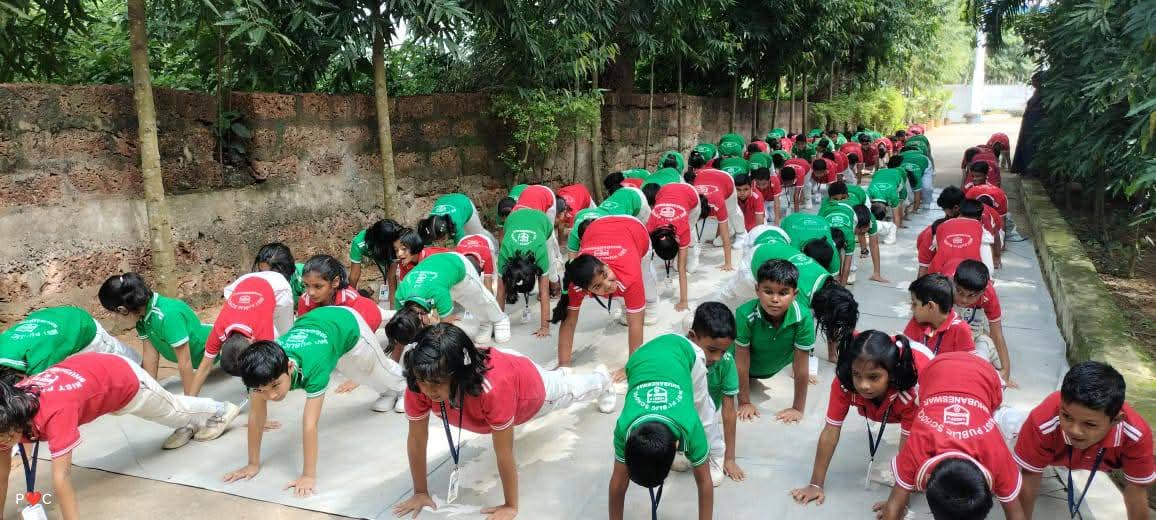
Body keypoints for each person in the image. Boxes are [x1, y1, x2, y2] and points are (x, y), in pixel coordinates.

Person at [393, 323, 615, 520]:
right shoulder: (421, 379)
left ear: (459, 373)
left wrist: (510, 505)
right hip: (502, 364)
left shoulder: (491, 389)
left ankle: (602, 379)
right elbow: (417, 439)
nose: (428, 390)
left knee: (570, 393)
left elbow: (504, 450)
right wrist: (420, 492)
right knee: (558, 380)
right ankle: (562, 376)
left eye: (437, 383)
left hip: (528, 391)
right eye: (422, 381)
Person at [0, 353, 239, 518]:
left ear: (17, 420)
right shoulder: (6, 406)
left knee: (174, 410)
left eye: (5, 438)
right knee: (171, 415)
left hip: (122, 380)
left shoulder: (55, 413)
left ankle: (221, 410)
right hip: (90, 374)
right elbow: (2, 472)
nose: (2, 444)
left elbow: (61, 478)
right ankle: (190, 424)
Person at [224, 306, 406, 495]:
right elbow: (256, 416)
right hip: (320, 331)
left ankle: (406, 388)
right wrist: (252, 464)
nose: (271, 396)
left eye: (276, 386)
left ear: (289, 367)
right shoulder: (258, 372)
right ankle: (388, 393)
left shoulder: (313, 368)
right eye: (262, 390)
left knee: (376, 368)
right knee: (358, 374)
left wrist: (308, 476)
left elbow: (310, 424)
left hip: (345, 323)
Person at [791, 331, 934, 506]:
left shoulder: (911, 394)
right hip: (887, 371)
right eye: (856, 374)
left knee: (924, 443)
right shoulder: (843, 385)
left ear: (891, 374)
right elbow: (830, 431)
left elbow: (907, 446)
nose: (863, 385)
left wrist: (898, 503)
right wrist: (815, 484)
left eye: (873, 377)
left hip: (926, 368)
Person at [877, 352, 1025, 520]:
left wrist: (894, 508)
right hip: (937, 371)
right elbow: (894, 506)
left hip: (983, 377)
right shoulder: (919, 445)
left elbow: (1016, 514)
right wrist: (894, 509)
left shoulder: (997, 455)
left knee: (993, 416)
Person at [608, 330, 726, 520]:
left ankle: (717, 451)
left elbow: (705, 483)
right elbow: (618, 482)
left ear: (677, 446)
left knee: (704, 413)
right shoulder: (624, 428)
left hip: (687, 354)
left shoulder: (691, 426)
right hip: (639, 357)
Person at [1014, 361, 1154, 519]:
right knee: (1012, 432)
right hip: (1034, 437)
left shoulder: (1136, 436)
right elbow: (1029, 476)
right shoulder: (1042, 422)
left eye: (1089, 424)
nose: (1075, 430)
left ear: (1116, 420)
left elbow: (1136, 490)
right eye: (1066, 416)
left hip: (1066, 451)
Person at [98, 273, 212, 448]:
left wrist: (189, 409)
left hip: (216, 351)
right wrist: (141, 391)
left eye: (114, 313)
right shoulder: (143, 319)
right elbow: (150, 358)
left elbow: (185, 362)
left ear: (122, 309)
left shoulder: (167, 315)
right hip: (198, 358)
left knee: (231, 361)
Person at [552, 216, 658, 369]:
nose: (608, 285)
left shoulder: (630, 276)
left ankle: (652, 303)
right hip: (598, 230)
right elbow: (568, 322)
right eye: (597, 286)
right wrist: (563, 365)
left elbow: (636, 323)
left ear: (605, 265)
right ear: (584, 290)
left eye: (605, 275)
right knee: (623, 291)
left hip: (635, 228)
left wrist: (631, 367)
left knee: (645, 278)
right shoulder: (575, 286)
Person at [188, 270, 296, 398]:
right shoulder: (217, 333)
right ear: (222, 347)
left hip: (276, 285)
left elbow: (270, 362)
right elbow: (204, 368)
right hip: (243, 282)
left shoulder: (263, 334)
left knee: (288, 337)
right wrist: (189, 402)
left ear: (253, 342)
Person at [733, 260, 815, 423]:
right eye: (768, 291)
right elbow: (741, 363)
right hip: (739, 368)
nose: (775, 299)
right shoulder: (744, 314)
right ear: (757, 289)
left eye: (783, 293)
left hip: (769, 369)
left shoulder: (803, 318)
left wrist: (798, 408)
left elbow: (801, 367)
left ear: (795, 294)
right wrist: (744, 402)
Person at [387, 252, 511, 346]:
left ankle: (500, 318)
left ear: (421, 316)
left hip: (455, 265)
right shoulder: (400, 296)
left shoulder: (438, 293)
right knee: (467, 302)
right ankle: (485, 322)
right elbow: (401, 325)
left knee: (479, 297)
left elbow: (445, 328)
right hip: (438, 273)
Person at [0, 306, 141, 380]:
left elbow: (38, 390)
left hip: (80, 325)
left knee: (116, 354)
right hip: (50, 320)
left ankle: (141, 366)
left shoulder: (39, 361)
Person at [694, 302, 745, 482]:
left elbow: (729, 412)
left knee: (714, 479)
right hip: (683, 411)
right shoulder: (681, 358)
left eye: (723, 351)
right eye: (712, 350)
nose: (717, 358)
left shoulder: (726, 363)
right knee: (680, 461)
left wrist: (729, 458)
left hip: (709, 412)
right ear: (693, 338)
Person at [497, 208, 563, 337]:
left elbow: (544, 292)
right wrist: (498, 325)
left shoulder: (541, 254)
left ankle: (556, 281)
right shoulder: (504, 254)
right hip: (512, 220)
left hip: (542, 221)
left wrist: (545, 327)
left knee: (549, 264)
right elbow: (500, 292)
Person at [948, 260, 1014, 386]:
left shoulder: (989, 295)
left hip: (974, 329)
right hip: (948, 324)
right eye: (960, 292)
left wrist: (1006, 372)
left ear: (984, 291)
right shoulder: (944, 288)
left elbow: (997, 333)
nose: (964, 299)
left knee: (998, 363)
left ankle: (981, 336)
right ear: (953, 283)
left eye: (971, 295)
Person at [646, 182, 709, 311]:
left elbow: (682, 268)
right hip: (665, 189)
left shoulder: (683, 228)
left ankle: (694, 249)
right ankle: (677, 252)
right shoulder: (649, 227)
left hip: (691, 195)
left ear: (677, 239)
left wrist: (684, 301)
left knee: (681, 262)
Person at [295, 255, 385, 331]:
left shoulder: (351, 300)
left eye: (318, 286)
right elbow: (304, 329)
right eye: (306, 285)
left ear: (335, 282)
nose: (311, 293)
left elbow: (362, 330)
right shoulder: (305, 301)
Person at [904, 274, 975, 355]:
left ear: (931, 306)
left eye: (915, 304)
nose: (911, 308)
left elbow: (969, 363)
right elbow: (905, 351)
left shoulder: (960, 329)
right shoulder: (917, 321)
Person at [924, 199, 995, 276]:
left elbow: (935, 245)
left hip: (939, 271)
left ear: (959, 211)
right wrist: (988, 276)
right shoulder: (980, 228)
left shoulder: (942, 225)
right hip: (970, 274)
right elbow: (989, 242)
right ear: (980, 217)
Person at [688, 167, 739, 266]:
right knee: (717, 239)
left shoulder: (718, 203)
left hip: (725, 179)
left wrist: (728, 263)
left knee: (732, 212)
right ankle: (716, 236)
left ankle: (739, 232)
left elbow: (724, 235)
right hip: (704, 173)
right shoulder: (690, 200)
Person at [348, 219, 404, 295]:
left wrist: (393, 306)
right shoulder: (359, 242)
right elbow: (354, 275)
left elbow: (391, 276)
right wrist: (351, 297)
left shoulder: (395, 244)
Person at [419, 193, 497, 247]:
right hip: (446, 200)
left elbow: (461, 247)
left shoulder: (455, 223)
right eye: (436, 240)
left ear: (449, 229)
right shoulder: (429, 225)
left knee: (477, 235)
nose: (440, 242)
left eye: (442, 239)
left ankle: (494, 246)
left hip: (464, 204)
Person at [253, 242, 306, 308]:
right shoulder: (261, 286)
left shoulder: (304, 277)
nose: (266, 278)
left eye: (271, 274)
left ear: (286, 270)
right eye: (262, 273)